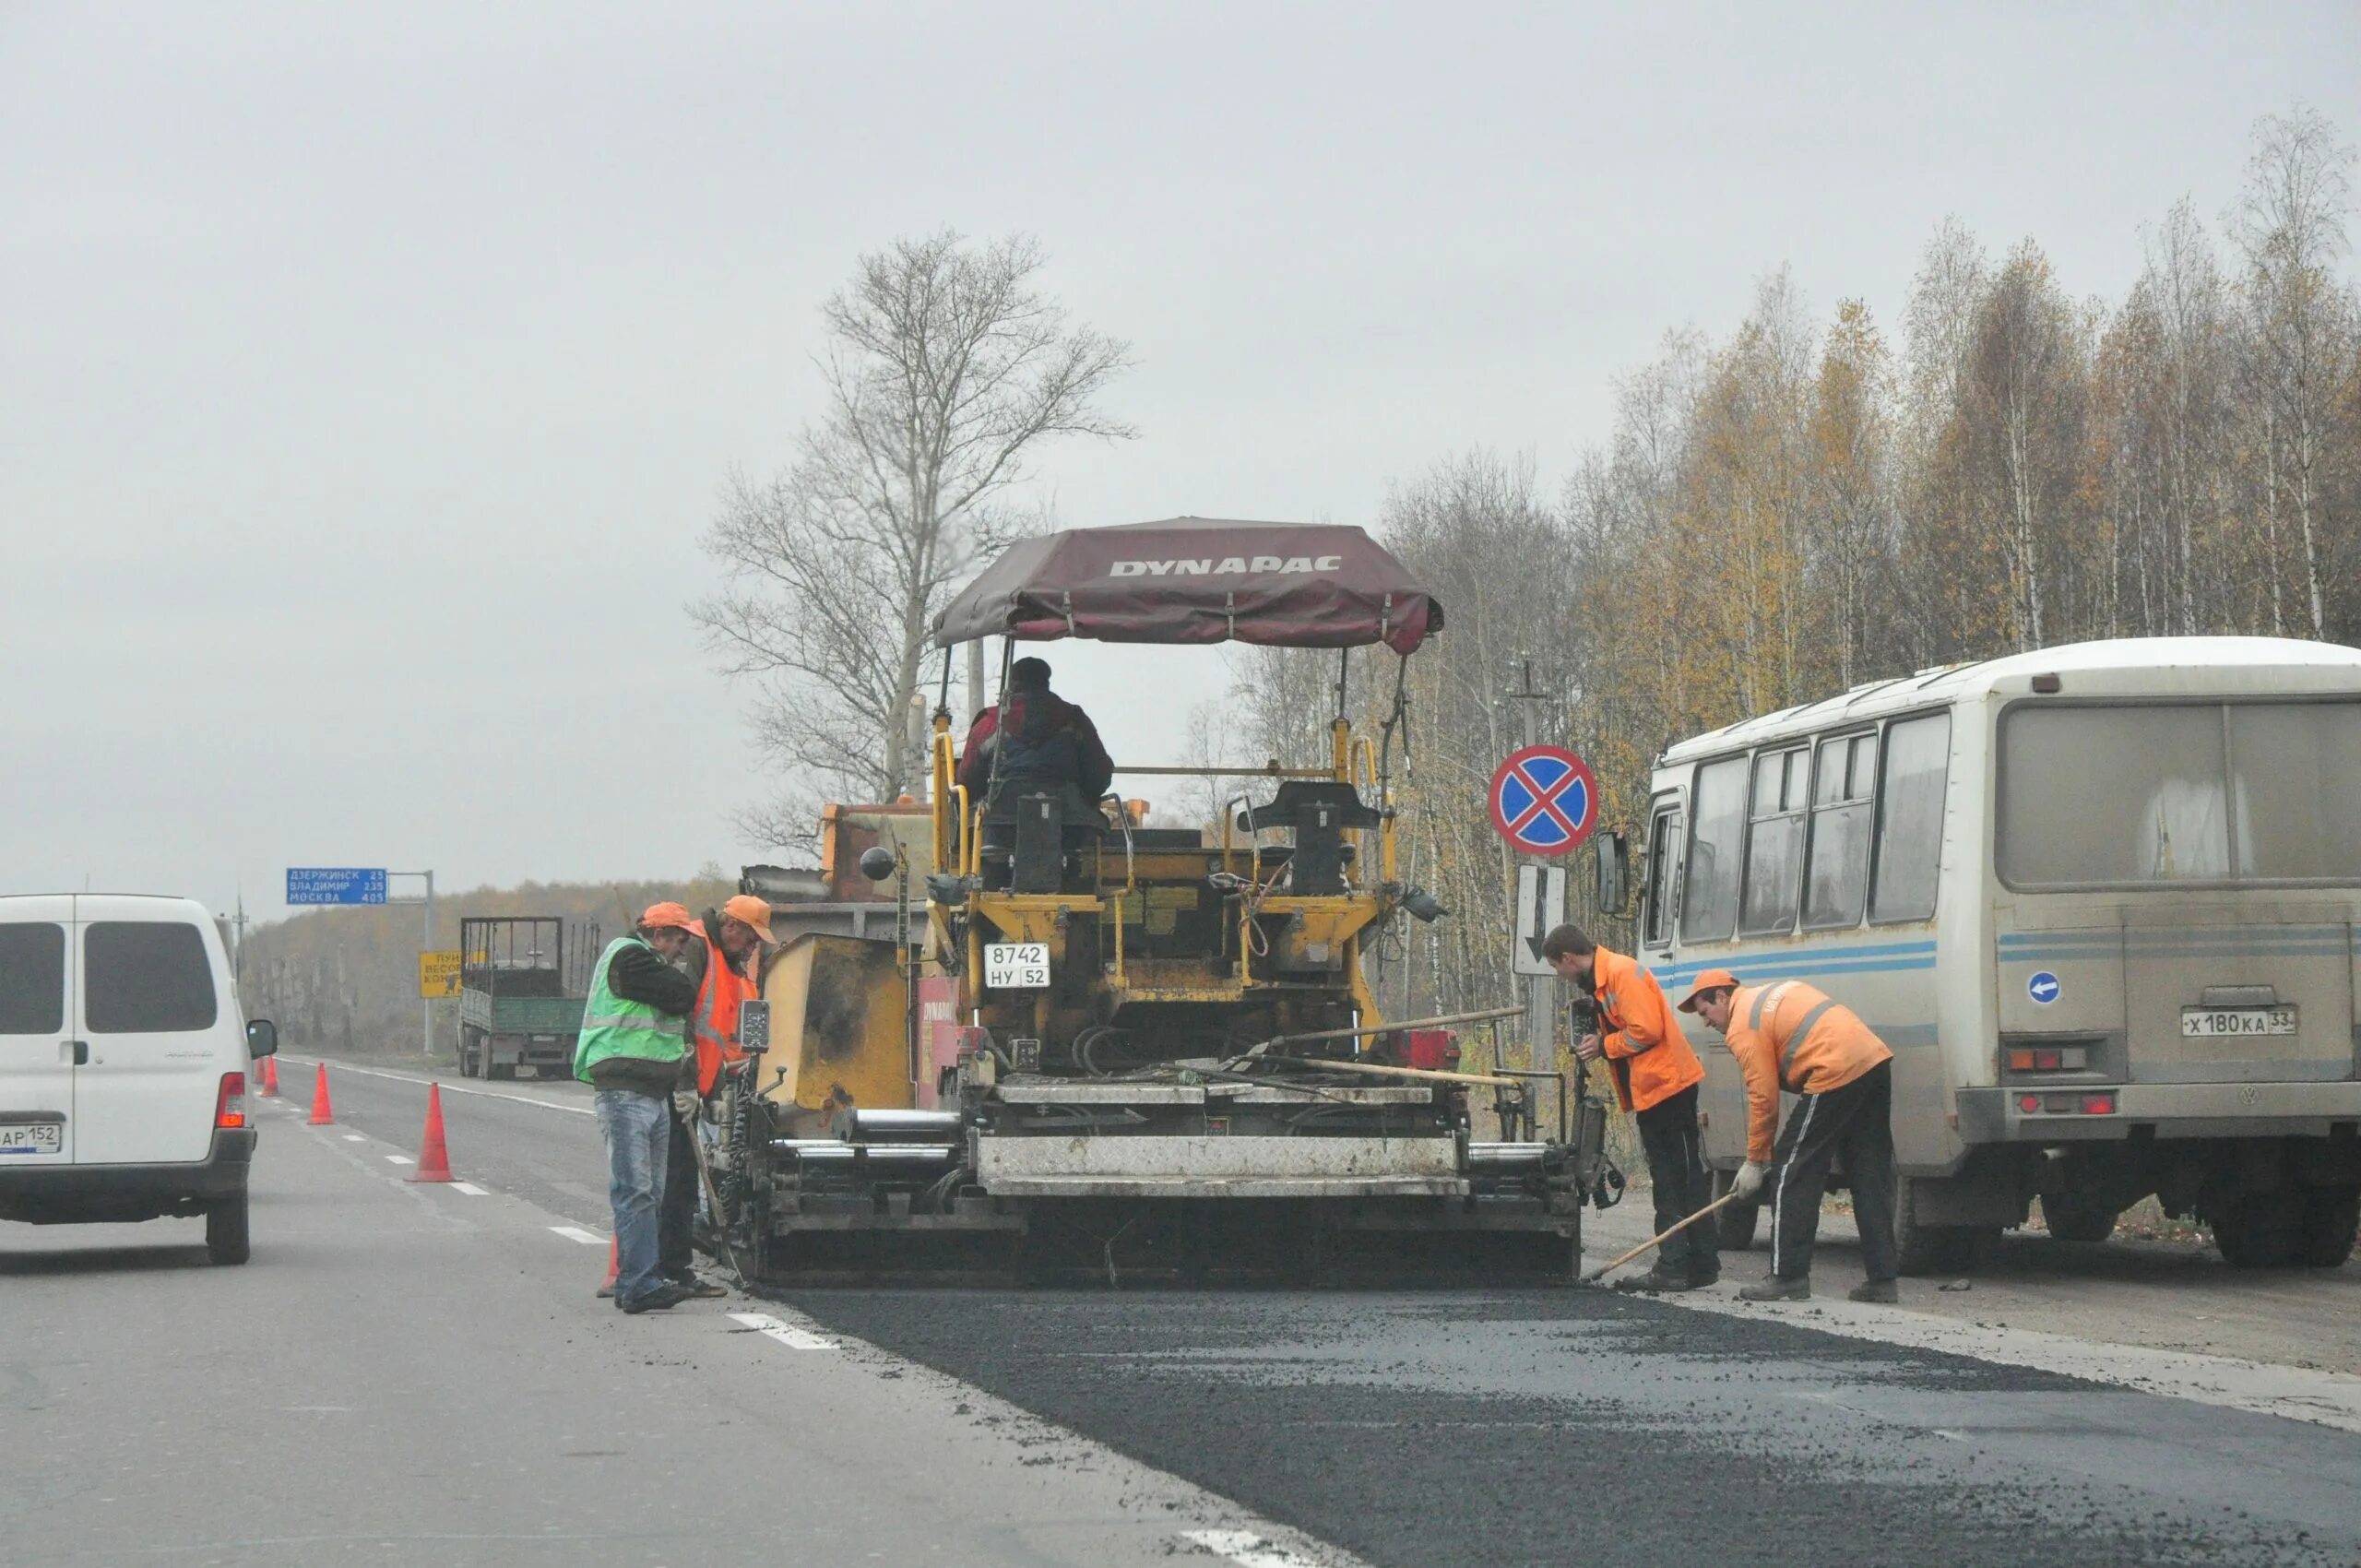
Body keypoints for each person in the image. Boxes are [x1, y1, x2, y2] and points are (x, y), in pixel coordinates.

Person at [1677, 968, 1899, 1303]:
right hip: (1872, 1059)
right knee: (1870, 1171)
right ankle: (1882, 1281)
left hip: (1834, 1068)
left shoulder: (1742, 1024)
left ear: (1722, 996)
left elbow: (1763, 1097)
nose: (1706, 1022)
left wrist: (1755, 1161)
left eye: (1705, 1012)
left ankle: (1787, 1276)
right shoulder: (1764, 999)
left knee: (1791, 1171)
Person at [1543, 923, 1718, 1291]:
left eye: (1560, 969)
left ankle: (1675, 1266)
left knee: (1673, 1179)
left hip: (1668, 1088)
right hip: (1658, 1089)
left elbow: (1647, 1030)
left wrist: (1604, 1046)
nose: (1563, 977)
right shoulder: (1608, 980)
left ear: (1569, 958)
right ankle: (1699, 1263)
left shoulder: (1622, 974)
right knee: (1679, 1176)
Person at [575, 902, 701, 1314]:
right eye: (679, 939)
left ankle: (641, 1279)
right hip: (624, 1089)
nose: (682, 950)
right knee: (635, 1191)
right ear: (660, 933)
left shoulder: (645, 961)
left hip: (651, 1090)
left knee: (651, 1192)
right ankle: (637, 1284)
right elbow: (682, 995)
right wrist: (678, 988)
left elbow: (678, 999)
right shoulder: (628, 957)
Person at [657, 893, 776, 1298]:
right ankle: (669, 1271)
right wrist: (687, 1083)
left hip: (694, 1086)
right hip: (674, 1087)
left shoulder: (724, 963)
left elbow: (714, 1038)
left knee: (683, 1184)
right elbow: (680, 1021)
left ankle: (675, 1268)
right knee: (675, 1185)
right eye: (751, 938)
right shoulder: (696, 949)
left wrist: (714, 1085)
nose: (753, 947)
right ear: (732, 928)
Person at [955, 655, 1114, 807]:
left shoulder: (989, 724)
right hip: (1071, 824)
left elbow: (967, 782)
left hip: (1000, 825)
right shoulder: (1075, 720)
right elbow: (1099, 774)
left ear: (1012, 685)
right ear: (1046, 683)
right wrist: (1082, 800)